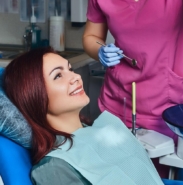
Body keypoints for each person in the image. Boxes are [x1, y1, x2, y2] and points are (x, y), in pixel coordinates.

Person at [82, 0, 183, 176]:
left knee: (163, 176)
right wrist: (100, 50)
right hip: (118, 104)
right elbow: (91, 35)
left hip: (167, 107)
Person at [4, 47, 164, 185]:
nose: (76, 77)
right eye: (58, 76)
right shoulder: (54, 168)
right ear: (34, 96)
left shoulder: (100, 132)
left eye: (70, 69)